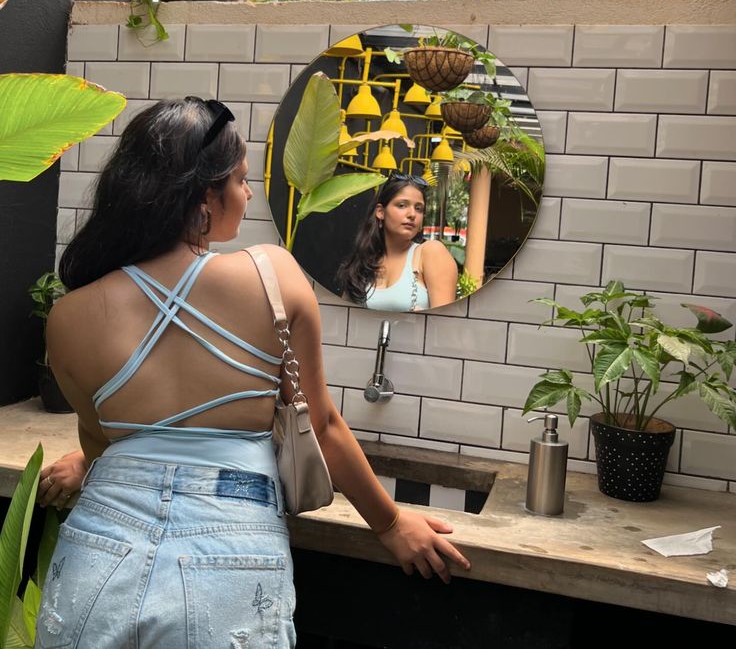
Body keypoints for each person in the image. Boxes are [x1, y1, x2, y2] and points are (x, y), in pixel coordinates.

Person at [34, 97, 469, 649]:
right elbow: (324, 426)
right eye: (239, 179)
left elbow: (101, 442)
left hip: (97, 551)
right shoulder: (272, 275)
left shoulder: (70, 315)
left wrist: (106, 463)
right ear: (203, 196)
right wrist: (389, 525)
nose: (246, 193)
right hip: (228, 555)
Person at [336, 173, 458, 311]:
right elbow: (343, 318)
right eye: (402, 205)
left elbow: (445, 325)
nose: (412, 214)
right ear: (380, 212)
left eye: (419, 208)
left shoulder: (431, 252)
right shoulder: (364, 262)